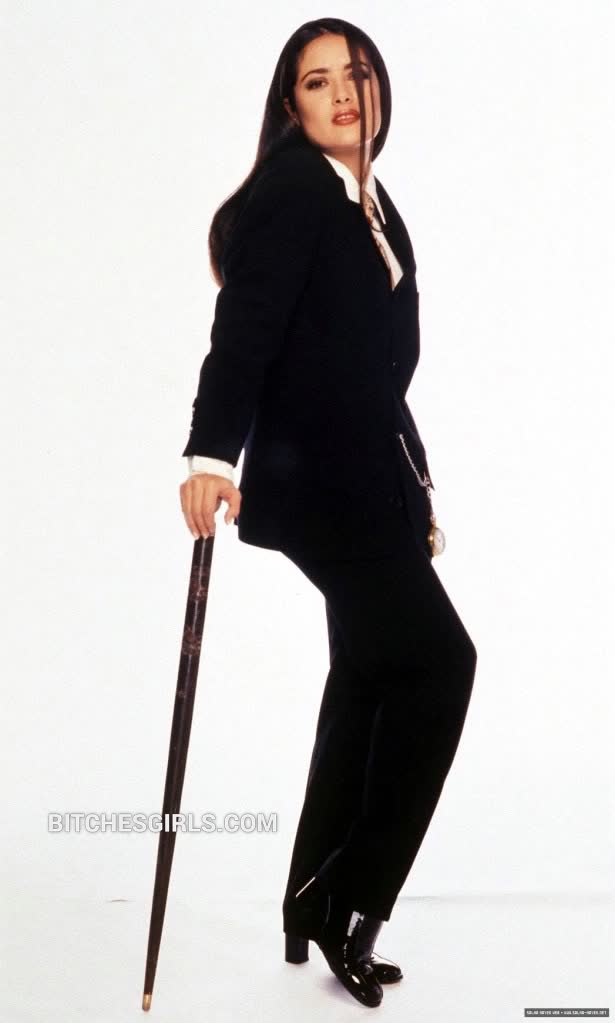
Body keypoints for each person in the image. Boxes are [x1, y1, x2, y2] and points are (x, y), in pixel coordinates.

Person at [179, 18, 477, 1009]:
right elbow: (242, 337)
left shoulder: (366, 198)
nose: (345, 92)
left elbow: (374, 371)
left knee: (372, 675)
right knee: (439, 665)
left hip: (368, 481)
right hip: (323, 487)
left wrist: (409, 479)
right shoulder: (296, 192)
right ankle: (353, 903)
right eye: (318, 81)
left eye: (356, 73)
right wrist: (211, 455)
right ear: (290, 105)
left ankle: (308, 896)